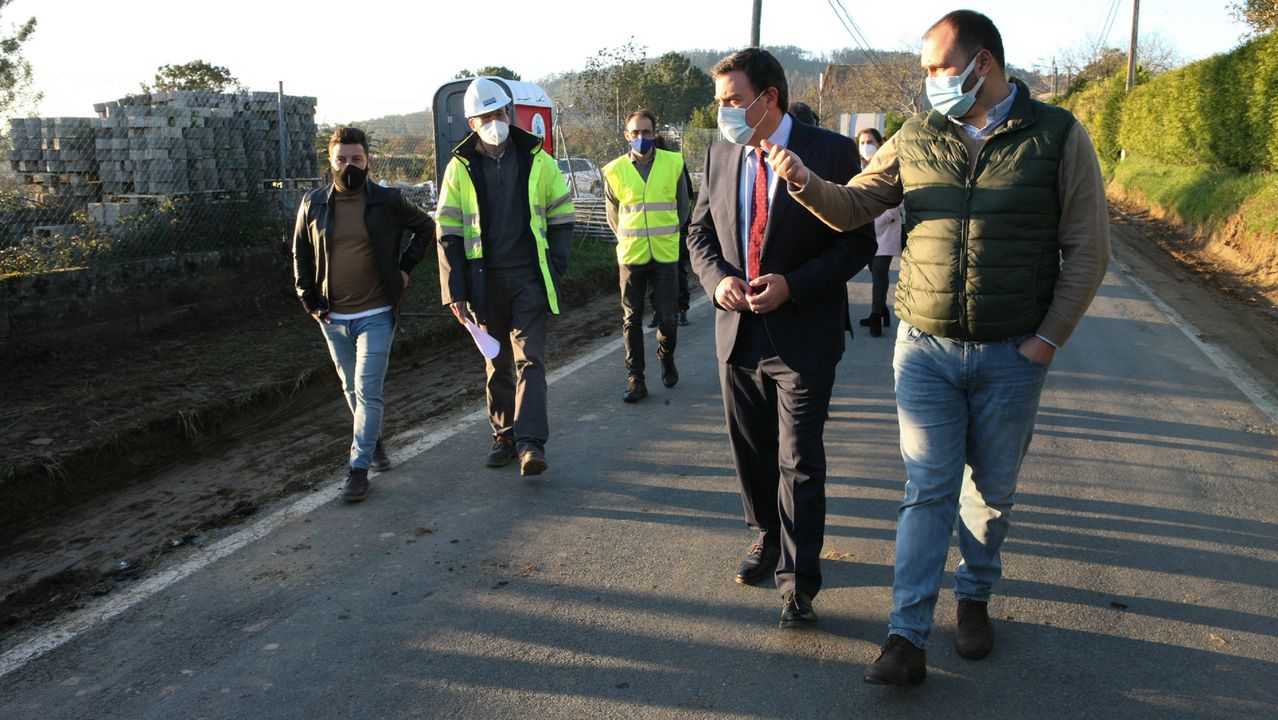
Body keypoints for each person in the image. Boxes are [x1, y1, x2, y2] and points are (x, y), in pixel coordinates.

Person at [765, 10, 1110, 685]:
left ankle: (974, 594)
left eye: (935, 68)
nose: (927, 83)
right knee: (927, 489)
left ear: (982, 63)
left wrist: (1046, 340)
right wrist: (804, 182)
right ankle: (907, 636)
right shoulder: (917, 135)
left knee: (991, 494)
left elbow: (1089, 249)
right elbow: (856, 204)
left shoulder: (1058, 136)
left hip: (1013, 353)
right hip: (925, 349)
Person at [686, 48, 876, 628]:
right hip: (737, 331)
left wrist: (793, 285)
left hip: (803, 332)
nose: (723, 113)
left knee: (799, 459)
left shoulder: (831, 152)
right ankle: (765, 536)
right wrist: (717, 282)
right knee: (751, 453)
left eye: (733, 101)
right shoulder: (720, 153)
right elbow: (698, 233)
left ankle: (798, 582)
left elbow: (857, 244)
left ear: (769, 98)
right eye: (720, 102)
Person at [436, 78, 574, 476]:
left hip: (529, 279)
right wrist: (454, 290)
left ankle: (531, 445)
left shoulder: (538, 159)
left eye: (499, 114)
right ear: (472, 123)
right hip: (483, 283)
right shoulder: (459, 169)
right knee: (496, 362)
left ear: (509, 115)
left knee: (530, 359)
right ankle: (505, 436)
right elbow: (447, 232)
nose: (494, 122)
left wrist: (556, 266)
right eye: (485, 117)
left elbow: (563, 217)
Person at [291, 127, 436, 503]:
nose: (349, 166)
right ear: (330, 161)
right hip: (333, 317)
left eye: (356, 159)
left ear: (368, 159)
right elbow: (301, 255)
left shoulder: (388, 201)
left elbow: (426, 227)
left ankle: (357, 470)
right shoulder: (314, 203)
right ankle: (373, 443)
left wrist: (404, 268)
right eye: (341, 159)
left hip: (377, 312)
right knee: (350, 389)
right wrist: (309, 300)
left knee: (368, 390)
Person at [603, 109, 691, 402]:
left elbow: (683, 208)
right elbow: (613, 217)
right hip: (631, 256)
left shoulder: (674, 163)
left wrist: (667, 234)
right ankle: (635, 378)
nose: (640, 137)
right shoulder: (613, 170)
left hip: (665, 254)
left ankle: (666, 358)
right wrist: (631, 239)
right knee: (631, 319)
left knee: (667, 319)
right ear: (627, 135)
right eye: (635, 133)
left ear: (655, 133)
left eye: (646, 132)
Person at [854, 127, 903, 337]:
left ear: (879, 143)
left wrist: (878, 217)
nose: (866, 146)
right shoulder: (857, 166)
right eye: (862, 142)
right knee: (875, 272)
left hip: (885, 228)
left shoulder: (888, 165)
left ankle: (876, 315)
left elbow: (896, 198)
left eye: (870, 141)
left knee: (880, 274)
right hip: (866, 230)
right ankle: (882, 310)